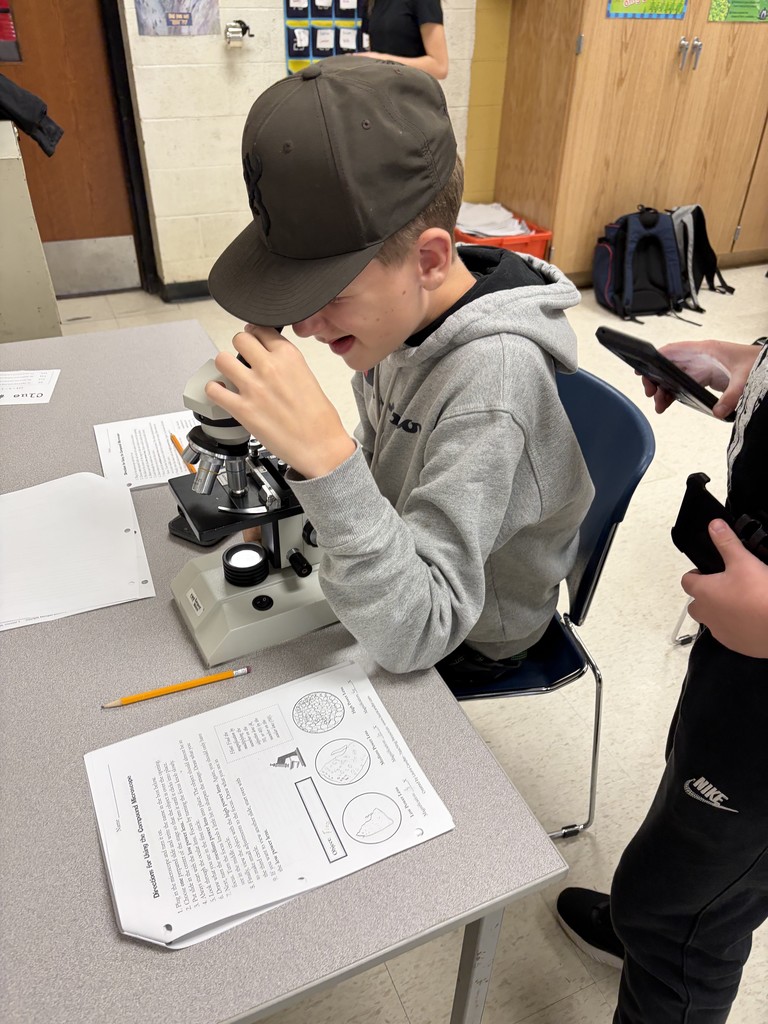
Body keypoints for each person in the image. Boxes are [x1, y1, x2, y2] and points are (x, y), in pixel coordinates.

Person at [205, 55, 593, 685]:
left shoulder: (492, 384)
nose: (304, 325)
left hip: (473, 628)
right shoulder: (397, 319)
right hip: (402, 568)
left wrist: (327, 463)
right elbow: (383, 465)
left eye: (329, 294)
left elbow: (420, 634)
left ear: (431, 260)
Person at [557, 337, 768, 1023]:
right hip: (743, 629)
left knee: (687, 919)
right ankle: (649, 921)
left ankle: (665, 936)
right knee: (691, 789)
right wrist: (755, 365)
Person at [358, 0, 448, 80]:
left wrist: (383, 61)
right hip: (382, 90)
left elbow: (439, 67)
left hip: (411, 93)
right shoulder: (372, 3)